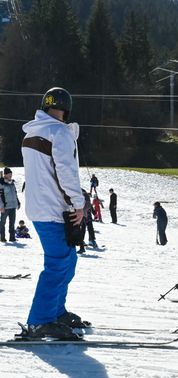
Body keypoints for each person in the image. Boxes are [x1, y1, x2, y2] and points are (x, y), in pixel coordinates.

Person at [20, 87, 87, 339]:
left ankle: (56, 312)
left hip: (40, 207)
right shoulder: (59, 132)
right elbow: (66, 172)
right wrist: (78, 204)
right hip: (54, 208)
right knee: (58, 263)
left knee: (68, 259)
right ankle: (40, 320)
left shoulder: (32, 133)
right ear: (66, 107)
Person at [0, 167, 21, 242]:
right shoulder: (1, 184)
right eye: (9, 174)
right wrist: (1, 206)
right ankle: (2, 238)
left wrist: (18, 203)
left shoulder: (12, 183)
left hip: (13, 206)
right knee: (2, 223)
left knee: (12, 223)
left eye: (11, 174)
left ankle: (12, 238)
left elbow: (15, 194)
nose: (10, 175)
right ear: (5, 175)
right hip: (5, 207)